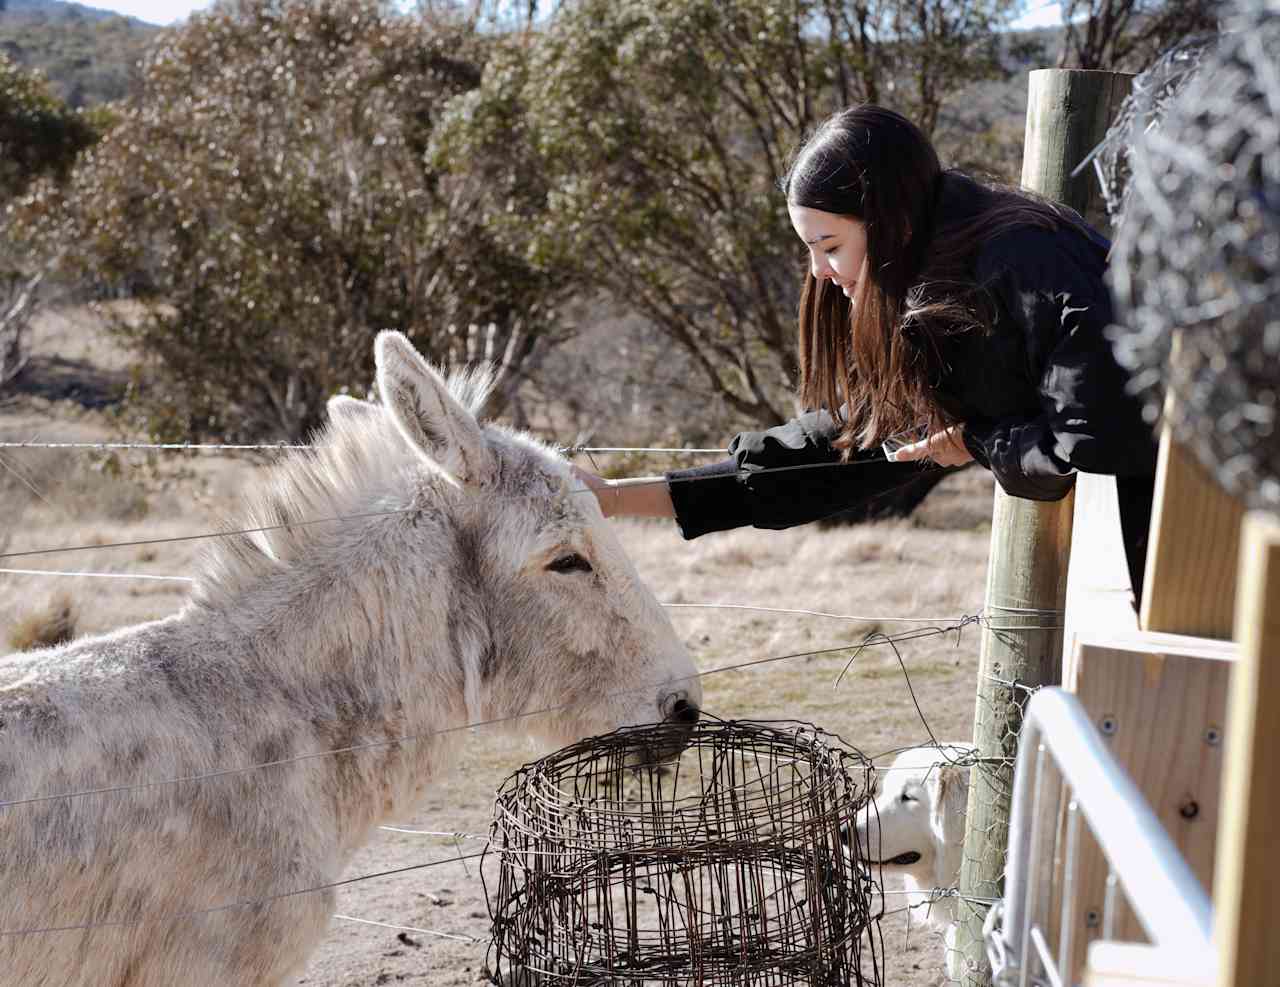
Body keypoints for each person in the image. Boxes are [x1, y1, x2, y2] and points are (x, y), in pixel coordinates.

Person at [577, 105, 1158, 598]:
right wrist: (613, 498)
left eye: (828, 246)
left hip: (1178, 557)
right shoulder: (933, 292)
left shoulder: (1025, 267)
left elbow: (1095, 452)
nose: (818, 272)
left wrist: (981, 439)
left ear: (890, 222)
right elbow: (826, 458)